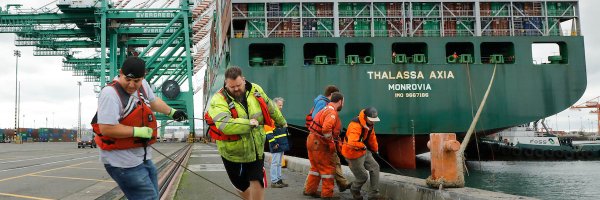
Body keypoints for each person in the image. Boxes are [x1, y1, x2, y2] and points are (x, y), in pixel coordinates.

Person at [92, 56, 188, 200]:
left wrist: (172, 112)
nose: (131, 85)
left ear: (143, 78)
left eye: (136, 81)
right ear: (120, 73)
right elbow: (106, 128)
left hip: (141, 158)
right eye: (127, 79)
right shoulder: (110, 94)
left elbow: (153, 102)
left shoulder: (143, 86)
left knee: (154, 196)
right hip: (121, 162)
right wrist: (137, 131)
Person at [206, 66, 287, 200]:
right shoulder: (218, 100)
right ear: (226, 84)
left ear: (243, 80)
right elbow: (225, 125)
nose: (236, 89)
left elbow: (270, 106)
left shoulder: (256, 89)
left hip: (256, 146)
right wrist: (249, 123)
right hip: (232, 153)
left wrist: (281, 122)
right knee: (240, 184)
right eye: (232, 87)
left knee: (257, 178)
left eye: (238, 85)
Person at [305, 85, 352, 192]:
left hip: (312, 140)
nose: (343, 105)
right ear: (339, 102)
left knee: (315, 168)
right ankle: (327, 194)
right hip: (319, 143)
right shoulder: (331, 112)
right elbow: (326, 129)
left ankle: (309, 190)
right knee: (327, 169)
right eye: (343, 102)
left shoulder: (325, 107)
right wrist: (331, 144)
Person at [341, 107, 385, 200]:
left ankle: (373, 195)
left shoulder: (370, 125)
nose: (373, 122)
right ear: (365, 117)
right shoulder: (355, 125)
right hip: (352, 153)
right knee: (363, 176)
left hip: (363, 150)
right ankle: (354, 189)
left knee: (375, 167)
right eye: (372, 120)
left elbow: (372, 138)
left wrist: (375, 150)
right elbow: (351, 143)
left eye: (374, 120)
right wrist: (362, 146)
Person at [267, 97, 290, 188]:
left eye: (282, 105)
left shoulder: (278, 115)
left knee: (279, 162)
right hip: (276, 143)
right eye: (279, 105)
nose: (281, 107)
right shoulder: (271, 116)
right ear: (274, 105)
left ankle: (279, 179)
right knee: (275, 162)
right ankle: (274, 181)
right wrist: (273, 143)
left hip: (281, 142)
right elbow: (268, 130)